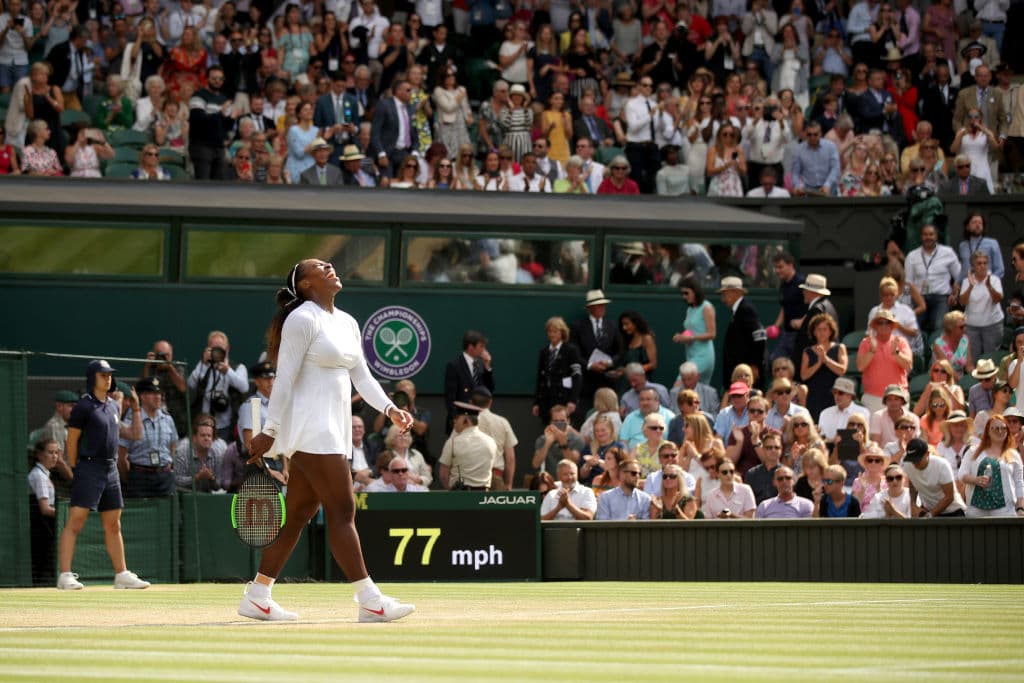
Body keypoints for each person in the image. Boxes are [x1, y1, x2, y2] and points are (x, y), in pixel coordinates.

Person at [240, 258, 415, 623]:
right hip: (310, 429)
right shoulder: (302, 319)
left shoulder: (347, 321)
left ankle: (258, 594)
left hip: (332, 430)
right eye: (320, 266)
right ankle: (369, 599)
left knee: (300, 513)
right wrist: (270, 431)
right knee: (343, 509)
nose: (331, 266)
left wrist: (389, 409)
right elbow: (284, 379)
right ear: (305, 285)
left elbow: (362, 377)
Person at [57, 360, 150, 591]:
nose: (107, 378)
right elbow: (72, 441)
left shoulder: (112, 405)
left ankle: (121, 574)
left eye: (109, 375)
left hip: (110, 470)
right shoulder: (83, 406)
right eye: (102, 375)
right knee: (76, 521)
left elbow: (125, 435)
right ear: (92, 378)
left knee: (114, 524)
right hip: (89, 467)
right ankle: (65, 575)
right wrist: (77, 468)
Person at [119, 376, 177, 498]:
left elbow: (173, 445)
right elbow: (121, 454)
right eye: (153, 393)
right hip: (140, 477)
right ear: (143, 396)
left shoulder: (168, 419)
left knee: (168, 513)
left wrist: (168, 465)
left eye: (159, 394)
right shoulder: (132, 419)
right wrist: (127, 478)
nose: (158, 397)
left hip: (164, 476)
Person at [570, 289, 623, 420]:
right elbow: (574, 352)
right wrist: (589, 365)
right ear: (590, 308)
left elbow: (621, 351)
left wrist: (610, 362)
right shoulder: (578, 327)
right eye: (598, 306)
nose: (601, 308)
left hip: (607, 382)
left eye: (603, 305)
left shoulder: (612, 325)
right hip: (586, 384)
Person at [188, 330, 249, 442]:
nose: (217, 352)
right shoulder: (204, 366)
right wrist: (203, 363)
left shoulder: (237, 368)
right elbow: (191, 384)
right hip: (204, 426)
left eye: (220, 348)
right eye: (214, 348)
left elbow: (244, 387)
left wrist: (228, 371)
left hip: (226, 425)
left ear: (228, 348)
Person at [958, 415, 1024, 518]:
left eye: (1003, 428)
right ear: (987, 431)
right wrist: (975, 480)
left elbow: (1019, 483)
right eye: (995, 428)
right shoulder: (973, 451)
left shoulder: (1013, 454)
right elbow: (961, 475)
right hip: (976, 511)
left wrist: (1020, 508)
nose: (1000, 431)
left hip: (1005, 511)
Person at [905, 224, 960, 338]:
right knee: (914, 328)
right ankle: (920, 354)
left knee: (939, 328)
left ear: (936, 236)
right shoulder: (912, 256)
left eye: (931, 234)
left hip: (940, 297)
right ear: (921, 237)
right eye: (925, 234)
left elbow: (959, 276)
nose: (928, 237)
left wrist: (955, 293)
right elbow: (908, 282)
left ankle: (937, 354)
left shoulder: (948, 253)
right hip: (919, 298)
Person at [857, 309, 913, 412]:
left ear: (892, 326)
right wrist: (872, 351)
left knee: (901, 428)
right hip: (873, 398)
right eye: (880, 322)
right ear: (875, 326)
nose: (884, 325)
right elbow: (860, 366)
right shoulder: (866, 342)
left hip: (898, 397)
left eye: (888, 322)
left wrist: (896, 353)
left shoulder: (900, 342)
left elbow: (908, 366)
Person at [443, 329, 494, 433]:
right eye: (481, 347)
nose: (484, 350)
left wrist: (487, 366)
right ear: (471, 347)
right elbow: (450, 397)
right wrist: (456, 420)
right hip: (461, 420)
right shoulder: (454, 365)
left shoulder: (481, 364)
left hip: (479, 421)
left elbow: (489, 390)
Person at [439, 401, 498, 491]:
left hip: (460, 495)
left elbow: (443, 474)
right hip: (483, 495)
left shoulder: (453, 442)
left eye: (457, 417)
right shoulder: (491, 441)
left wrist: (451, 491)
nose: (454, 420)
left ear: (466, 420)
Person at [718, 276, 766, 387]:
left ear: (735, 292)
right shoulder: (739, 310)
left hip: (746, 373)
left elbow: (759, 338)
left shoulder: (746, 310)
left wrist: (755, 365)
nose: (723, 299)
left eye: (725, 294)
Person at [901, 437, 966, 517]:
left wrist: (930, 515)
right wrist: (913, 504)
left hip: (954, 513)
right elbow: (912, 483)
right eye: (912, 459)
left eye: (917, 459)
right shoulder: (908, 464)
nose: (914, 463)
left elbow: (949, 496)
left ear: (927, 454)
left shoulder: (942, 465)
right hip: (928, 511)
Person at [959, 251, 1004, 358]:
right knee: (973, 358)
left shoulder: (994, 280)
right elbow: (962, 302)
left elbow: (998, 299)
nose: (982, 266)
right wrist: (970, 286)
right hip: (971, 326)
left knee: (991, 358)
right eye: (979, 263)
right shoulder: (967, 281)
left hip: (992, 325)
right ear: (973, 266)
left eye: (985, 263)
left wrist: (989, 286)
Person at [672, 276, 716, 385]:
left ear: (695, 291)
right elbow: (691, 331)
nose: (684, 296)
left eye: (687, 293)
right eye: (682, 294)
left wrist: (692, 338)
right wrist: (682, 337)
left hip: (703, 355)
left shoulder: (707, 307)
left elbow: (712, 334)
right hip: (691, 353)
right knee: (697, 392)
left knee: (678, 385)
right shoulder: (690, 309)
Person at [28, 438, 59, 585]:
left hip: (46, 525)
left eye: (56, 452)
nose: (54, 456)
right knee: (42, 562)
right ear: (39, 455)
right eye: (50, 452)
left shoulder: (44, 474)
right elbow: (45, 508)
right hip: (42, 526)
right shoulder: (39, 476)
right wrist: (65, 515)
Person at [173, 416, 228, 492]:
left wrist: (211, 478)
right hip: (185, 494)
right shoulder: (182, 452)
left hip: (208, 495)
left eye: (209, 436)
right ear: (194, 438)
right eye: (203, 435)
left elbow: (219, 485)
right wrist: (197, 477)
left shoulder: (217, 453)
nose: (206, 438)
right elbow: (177, 480)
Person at [532, 404, 585, 475]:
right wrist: (547, 443)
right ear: (551, 422)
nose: (559, 424)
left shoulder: (576, 439)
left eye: (562, 421)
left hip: (569, 480)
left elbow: (574, 463)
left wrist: (563, 444)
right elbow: (535, 464)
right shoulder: (542, 439)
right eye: (556, 421)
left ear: (568, 421)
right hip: (549, 482)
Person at [744, 431, 784, 503]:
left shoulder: (787, 474)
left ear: (781, 450)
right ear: (763, 449)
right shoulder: (752, 474)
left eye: (777, 447)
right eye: (769, 448)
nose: (773, 450)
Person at [932, 310, 974, 379]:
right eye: (961, 327)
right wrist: (961, 385)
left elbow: (969, 366)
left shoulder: (965, 340)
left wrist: (978, 378)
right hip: (942, 378)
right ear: (951, 329)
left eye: (965, 326)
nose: (965, 329)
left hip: (960, 379)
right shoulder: (938, 345)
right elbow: (949, 370)